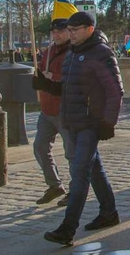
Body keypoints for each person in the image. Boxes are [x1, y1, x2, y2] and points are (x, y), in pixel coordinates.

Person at [33, 11, 124, 246]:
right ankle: (109, 212)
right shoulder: (73, 53)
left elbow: (115, 90)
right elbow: (68, 88)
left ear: (89, 30)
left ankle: (67, 228)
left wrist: (108, 123)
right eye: (69, 30)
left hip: (90, 123)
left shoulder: (101, 53)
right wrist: (48, 86)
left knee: (79, 173)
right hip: (71, 120)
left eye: (74, 30)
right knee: (94, 169)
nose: (69, 34)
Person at [33, 18, 72, 205]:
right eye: (54, 32)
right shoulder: (48, 52)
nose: (56, 35)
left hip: (65, 109)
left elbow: (72, 78)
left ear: (69, 32)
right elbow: (41, 70)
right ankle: (54, 185)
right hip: (47, 109)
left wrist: (51, 77)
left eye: (60, 31)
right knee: (40, 147)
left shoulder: (74, 52)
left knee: (71, 152)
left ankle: (76, 189)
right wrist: (38, 77)